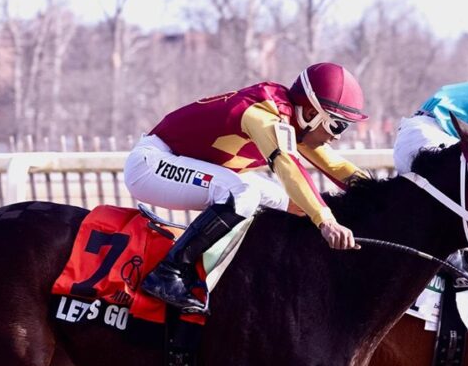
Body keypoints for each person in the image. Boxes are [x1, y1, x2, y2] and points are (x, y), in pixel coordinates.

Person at [123, 62, 370, 311]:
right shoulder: (263, 116)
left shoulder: (295, 122)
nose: (338, 136)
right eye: (337, 125)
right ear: (310, 113)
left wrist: (382, 193)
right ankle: (169, 271)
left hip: (179, 161)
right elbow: (288, 167)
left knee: (300, 204)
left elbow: (336, 167)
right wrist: (325, 221)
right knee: (243, 193)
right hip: (150, 164)